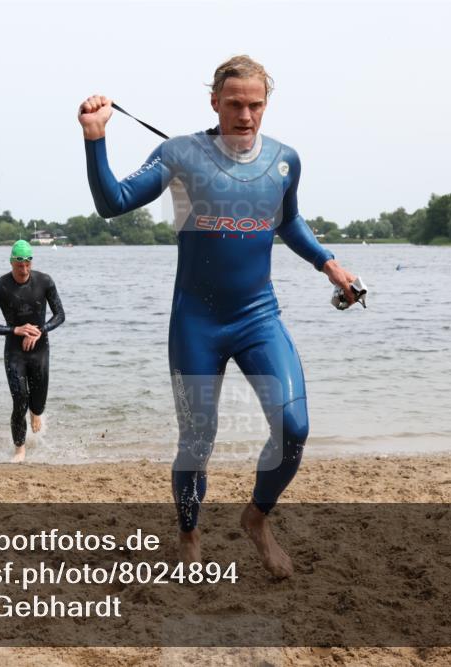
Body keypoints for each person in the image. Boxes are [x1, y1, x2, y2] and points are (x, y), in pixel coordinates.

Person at [79, 55, 360, 578]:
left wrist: (330, 264)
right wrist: (96, 138)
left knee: (294, 426)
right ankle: (189, 532)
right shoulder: (179, 153)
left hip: (258, 316)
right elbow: (112, 202)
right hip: (197, 323)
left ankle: (257, 517)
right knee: (198, 438)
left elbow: (289, 221)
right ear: (215, 102)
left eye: (256, 104)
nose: (246, 114)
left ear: (266, 105)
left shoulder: (284, 160)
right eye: (235, 103)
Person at [0, 240, 65, 462]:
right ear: (11, 263)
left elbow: (60, 315)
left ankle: (36, 412)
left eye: (27, 264)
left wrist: (40, 330)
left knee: (38, 403)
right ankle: (20, 450)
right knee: (20, 400)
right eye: (19, 266)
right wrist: (15, 329)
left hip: (40, 350)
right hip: (15, 351)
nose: (24, 270)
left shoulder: (45, 281)